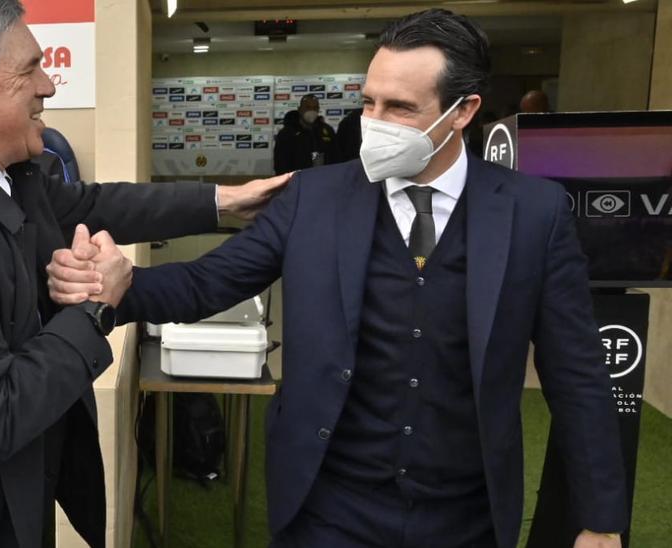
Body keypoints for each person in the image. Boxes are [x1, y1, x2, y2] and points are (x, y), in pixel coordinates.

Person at [48, 9, 625, 548]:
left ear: (464, 112)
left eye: (400, 108)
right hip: (328, 506)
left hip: (466, 513)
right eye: (368, 101)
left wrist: (600, 520)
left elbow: (576, 374)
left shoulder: (534, 214)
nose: (372, 123)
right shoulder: (314, 198)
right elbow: (209, 282)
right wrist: (120, 288)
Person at [0, 1, 290, 546]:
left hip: (14, 492)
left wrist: (225, 200)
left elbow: (98, 205)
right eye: (29, 69)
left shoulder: (0, 173)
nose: (48, 86)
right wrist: (94, 307)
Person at [272, 93, 337, 174]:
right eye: (308, 107)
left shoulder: (327, 130)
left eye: (315, 108)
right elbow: (280, 164)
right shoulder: (287, 133)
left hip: (323, 180)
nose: (312, 111)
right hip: (296, 182)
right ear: (300, 109)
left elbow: (335, 158)